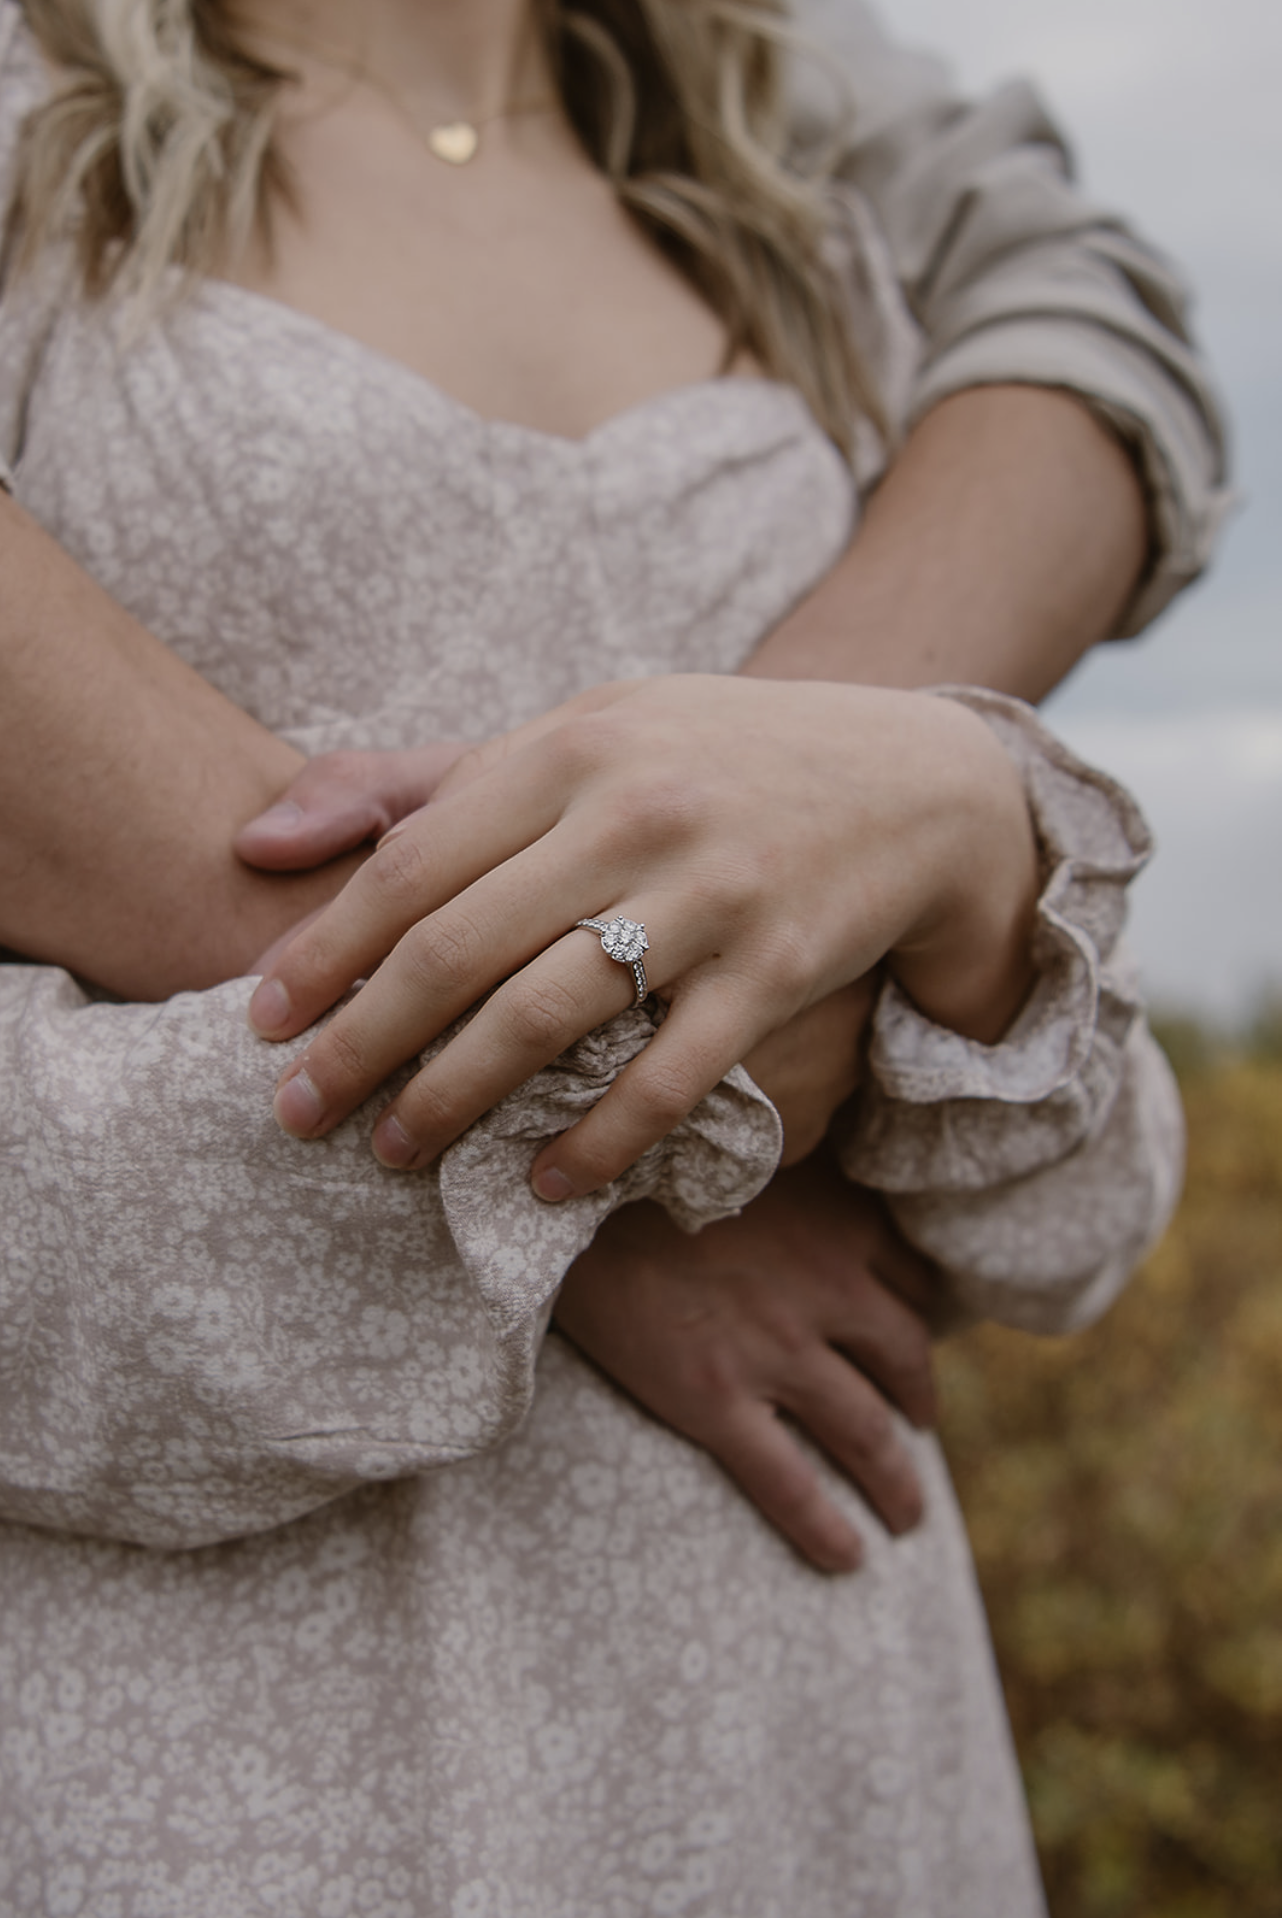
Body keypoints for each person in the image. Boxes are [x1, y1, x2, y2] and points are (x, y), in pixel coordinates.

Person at [0, 1, 1224, 1912]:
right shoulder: (41, 146)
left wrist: (959, 823)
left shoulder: (805, 225)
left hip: (824, 1712)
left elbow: (1060, 1208)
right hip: (238, 1772)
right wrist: (588, 1134)